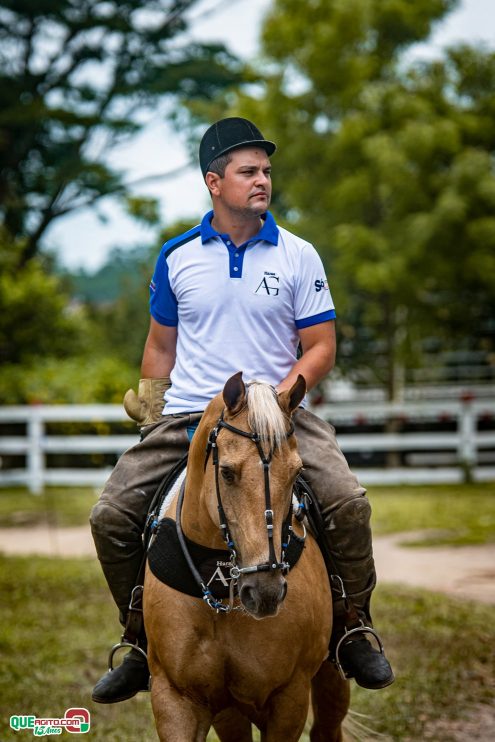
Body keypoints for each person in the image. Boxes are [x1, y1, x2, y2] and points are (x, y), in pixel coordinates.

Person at [90, 117, 394, 704]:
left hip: (280, 411)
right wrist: (152, 401)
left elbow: (322, 345)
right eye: (248, 171)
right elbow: (161, 342)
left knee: (348, 504)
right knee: (112, 515)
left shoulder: (299, 254)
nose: (262, 181)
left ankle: (354, 627)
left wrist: (278, 401)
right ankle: (137, 637)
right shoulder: (176, 256)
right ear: (214, 181)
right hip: (190, 416)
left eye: (267, 172)